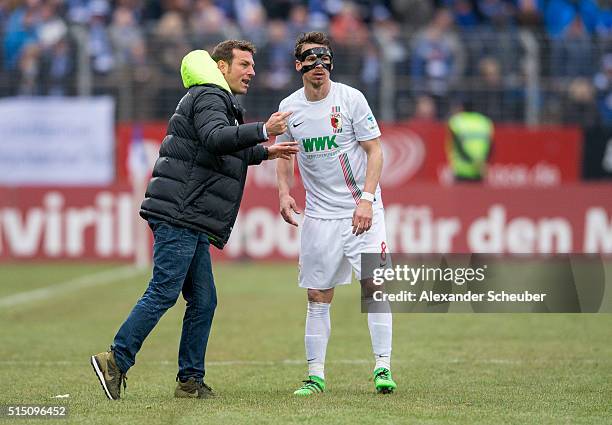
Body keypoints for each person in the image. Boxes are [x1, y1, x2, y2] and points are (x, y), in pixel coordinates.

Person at [90, 40, 298, 400]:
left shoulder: (214, 99)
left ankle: (189, 381)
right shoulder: (209, 96)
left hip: (191, 215)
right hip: (181, 213)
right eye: (244, 65)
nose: (252, 72)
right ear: (221, 67)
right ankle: (115, 360)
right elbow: (217, 139)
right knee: (164, 291)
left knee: (203, 301)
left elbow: (219, 148)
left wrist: (264, 151)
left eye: (252, 65)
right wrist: (264, 129)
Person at [275, 32, 397, 396]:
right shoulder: (289, 108)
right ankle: (315, 375)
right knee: (317, 295)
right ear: (298, 65)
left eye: (324, 60)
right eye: (310, 61)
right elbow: (285, 153)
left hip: (362, 211)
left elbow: (375, 151)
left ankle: (383, 367)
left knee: (374, 288)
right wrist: (284, 192)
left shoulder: (350, 99)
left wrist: (366, 199)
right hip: (320, 216)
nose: (319, 67)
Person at [446, 100, 494, 182]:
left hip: (462, 170)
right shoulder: (485, 122)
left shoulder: (456, 122)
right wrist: (482, 163)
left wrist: (473, 161)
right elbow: (490, 145)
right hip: (479, 170)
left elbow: (459, 147)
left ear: (462, 108)